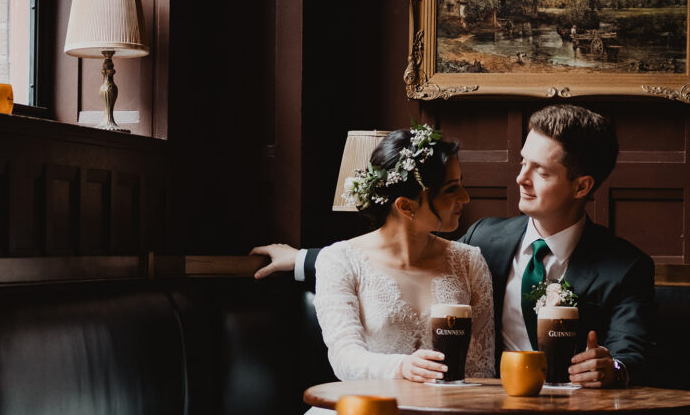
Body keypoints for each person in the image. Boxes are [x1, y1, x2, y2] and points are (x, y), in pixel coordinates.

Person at [253, 104, 654, 391]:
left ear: (582, 186)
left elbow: (631, 354)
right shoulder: (486, 239)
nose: (521, 179)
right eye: (522, 162)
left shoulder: (624, 267)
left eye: (541, 171)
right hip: (494, 413)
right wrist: (303, 260)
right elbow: (403, 257)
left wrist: (612, 368)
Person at [296, 125, 495, 415]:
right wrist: (401, 367)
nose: (466, 198)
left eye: (462, 184)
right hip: (368, 412)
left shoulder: (469, 261)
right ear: (406, 206)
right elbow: (345, 357)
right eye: (451, 189)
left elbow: (481, 366)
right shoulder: (340, 260)